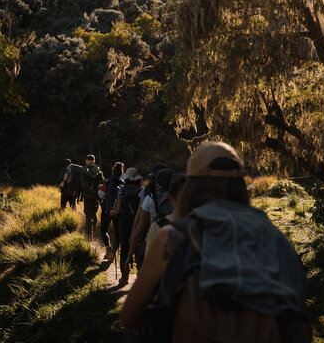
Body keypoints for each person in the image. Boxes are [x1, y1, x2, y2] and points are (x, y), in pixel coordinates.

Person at [120, 141, 310, 342]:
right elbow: (299, 315)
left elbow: (129, 317)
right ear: (240, 187)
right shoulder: (274, 236)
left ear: (191, 187)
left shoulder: (174, 237)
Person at [110, 167, 143, 284]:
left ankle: (124, 277)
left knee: (124, 248)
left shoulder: (121, 190)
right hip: (138, 223)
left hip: (124, 223)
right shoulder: (141, 191)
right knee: (138, 248)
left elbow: (117, 209)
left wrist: (111, 212)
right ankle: (140, 277)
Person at [101, 162, 124, 259]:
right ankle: (114, 252)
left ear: (113, 171)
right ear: (122, 172)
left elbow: (101, 194)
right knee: (117, 232)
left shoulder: (108, 181)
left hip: (107, 210)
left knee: (103, 229)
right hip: (118, 211)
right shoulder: (123, 183)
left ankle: (108, 248)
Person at [80, 154, 104, 240]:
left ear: (87, 161)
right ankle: (93, 232)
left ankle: (88, 235)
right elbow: (102, 184)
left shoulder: (84, 170)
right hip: (96, 196)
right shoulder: (99, 172)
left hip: (87, 196)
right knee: (94, 213)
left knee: (88, 215)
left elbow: (82, 185)